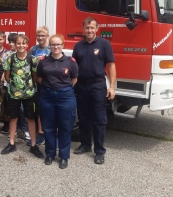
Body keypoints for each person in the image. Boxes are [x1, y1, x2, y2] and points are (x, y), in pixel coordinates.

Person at [72, 17, 116, 165]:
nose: (89, 30)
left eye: (92, 28)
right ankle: (85, 145)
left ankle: (99, 151)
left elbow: (111, 66)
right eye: (87, 28)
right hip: (81, 85)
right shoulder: (78, 46)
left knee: (99, 119)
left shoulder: (104, 44)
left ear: (97, 29)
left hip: (98, 85)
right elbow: (74, 66)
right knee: (83, 117)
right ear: (83, 28)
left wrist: (112, 87)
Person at [37, 34, 78, 169]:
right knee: (48, 127)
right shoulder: (43, 61)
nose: (55, 47)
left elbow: (74, 80)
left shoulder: (70, 62)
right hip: (47, 96)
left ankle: (64, 156)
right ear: (50, 46)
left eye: (58, 44)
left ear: (62, 45)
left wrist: (61, 89)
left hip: (65, 97)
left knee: (65, 127)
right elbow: (39, 78)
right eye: (53, 44)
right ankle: (49, 154)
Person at [1, 34, 43, 159]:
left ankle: (34, 145)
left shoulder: (33, 59)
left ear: (27, 45)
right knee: (13, 118)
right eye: (18, 43)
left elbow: (35, 77)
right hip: (13, 94)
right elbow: (7, 77)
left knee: (30, 118)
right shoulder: (10, 59)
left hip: (29, 95)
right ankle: (12, 143)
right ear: (15, 44)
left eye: (23, 43)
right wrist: (16, 87)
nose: (21, 46)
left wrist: (27, 88)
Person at [28, 26, 51, 146]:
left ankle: (51, 136)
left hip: (49, 84)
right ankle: (40, 134)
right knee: (39, 109)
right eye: (38, 35)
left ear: (47, 36)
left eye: (43, 35)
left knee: (49, 110)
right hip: (36, 84)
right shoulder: (33, 49)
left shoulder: (51, 49)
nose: (40, 38)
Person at [0, 30, 9, 133]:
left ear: (4, 39)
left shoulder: (7, 52)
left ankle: (5, 124)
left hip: (2, 81)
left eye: (0, 39)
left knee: (4, 103)